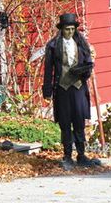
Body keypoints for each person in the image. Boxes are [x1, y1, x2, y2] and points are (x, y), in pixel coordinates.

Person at [42, 13, 97, 169]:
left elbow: (88, 64)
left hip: (78, 87)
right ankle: (67, 155)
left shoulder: (81, 44)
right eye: (67, 29)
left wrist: (83, 71)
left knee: (79, 121)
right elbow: (48, 70)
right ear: (61, 29)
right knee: (65, 122)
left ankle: (81, 154)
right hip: (62, 88)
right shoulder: (53, 46)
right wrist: (47, 91)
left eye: (72, 29)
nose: (70, 32)